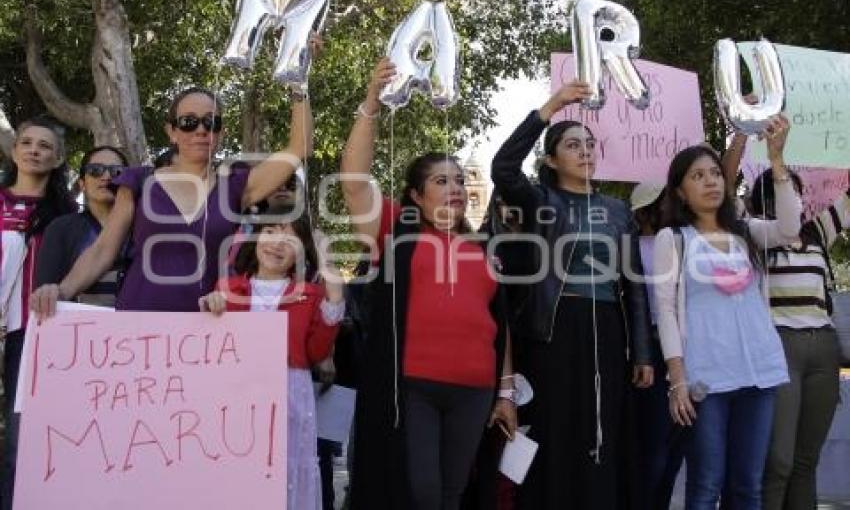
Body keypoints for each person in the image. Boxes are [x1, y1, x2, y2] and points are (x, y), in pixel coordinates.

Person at [342, 57, 516, 510]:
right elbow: (355, 184)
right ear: (417, 196)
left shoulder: (485, 249)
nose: (456, 188)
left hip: (475, 391)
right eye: (442, 181)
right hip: (413, 388)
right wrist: (371, 104)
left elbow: (499, 328)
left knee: (451, 494)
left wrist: (505, 393)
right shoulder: (397, 232)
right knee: (418, 492)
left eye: (460, 180)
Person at [491, 81, 653, 510]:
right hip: (554, 329)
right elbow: (504, 168)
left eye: (590, 144)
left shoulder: (619, 211)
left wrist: (641, 352)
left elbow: (635, 286)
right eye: (572, 145)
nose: (585, 151)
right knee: (556, 425)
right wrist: (552, 106)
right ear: (551, 159)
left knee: (602, 424)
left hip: (607, 326)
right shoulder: (539, 201)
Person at [30, 83, 314, 317]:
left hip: (210, 323)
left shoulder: (238, 186)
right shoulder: (139, 181)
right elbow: (104, 249)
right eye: (189, 122)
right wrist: (61, 291)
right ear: (172, 131)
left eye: (211, 122)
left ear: (220, 133)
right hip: (139, 319)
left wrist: (298, 80)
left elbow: (299, 147)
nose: (201, 130)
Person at [654, 117, 800, 510]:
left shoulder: (746, 232)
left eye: (716, 173)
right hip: (705, 379)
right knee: (705, 485)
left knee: (747, 487)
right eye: (698, 175)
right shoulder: (673, 240)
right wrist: (677, 380)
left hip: (758, 372)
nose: (711, 181)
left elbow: (789, 228)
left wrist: (777, 161)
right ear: (681, 191)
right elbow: (665, 312)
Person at [722, 127, 849, 510]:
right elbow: (726, 187)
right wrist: (742, 132)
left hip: (823, 350)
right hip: (778, 348)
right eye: (784, 188)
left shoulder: (816, 234)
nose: (794, 195)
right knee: (778, 460)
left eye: (796, 189)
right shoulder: (752, 233)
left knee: (805, 461)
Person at [199, 204, 344, 510]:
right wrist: (210, 308)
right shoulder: (226, 288)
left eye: (290, 239)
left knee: (284, 474)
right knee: (239, 471)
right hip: (236, 396)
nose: (277, 243)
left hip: (290, 395)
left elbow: (317, 351)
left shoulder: (311, 294)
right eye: (270, 231)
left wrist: (327, 258)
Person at [0, 115, 77, 510]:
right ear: (14, 151)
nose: (34, 150)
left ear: (58, 157)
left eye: (45, 146)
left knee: (22, 439)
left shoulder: (66, 216)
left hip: (35, 335)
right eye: (27, 143)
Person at [630, 182, 689, 510]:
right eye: (661, 200)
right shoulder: (630, 248)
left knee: (677, 446)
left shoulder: (682, 242)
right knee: (654, 447)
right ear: (643, 211)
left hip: (684, 349)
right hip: (649, 353)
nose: (669, 205)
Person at [35, 146, 128, 306]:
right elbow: (47, 290)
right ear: (82, 183)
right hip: (81, 327)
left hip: (142, 326)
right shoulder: (61, 228)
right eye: (95, 170)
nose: (106, 176)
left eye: (116, 171)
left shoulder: (145, 227)